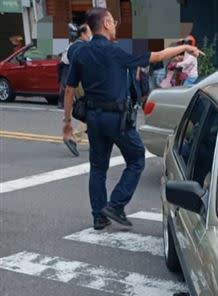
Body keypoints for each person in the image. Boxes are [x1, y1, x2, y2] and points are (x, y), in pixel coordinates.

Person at [62, 7, 203, 230]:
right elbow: (156, 56)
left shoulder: (81, 53)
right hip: (115, 117)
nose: (116, 25)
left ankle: (99, 216)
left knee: (98, 168)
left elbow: (69, 90)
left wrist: (67, 124)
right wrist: (185, 47)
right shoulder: (116, 52)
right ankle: (116, 205)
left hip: (93, 118)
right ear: (106, 23)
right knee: (137, 158)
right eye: (114, 21)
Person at [61, 24, 92, 156]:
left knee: (89, 112)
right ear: (83, 34)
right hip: (82, 84)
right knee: (93, 112)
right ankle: (72, 136)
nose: (91, 35)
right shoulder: (81, 47)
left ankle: (93, 143)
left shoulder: (71, 47)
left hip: (75, 83)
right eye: (90, 32)